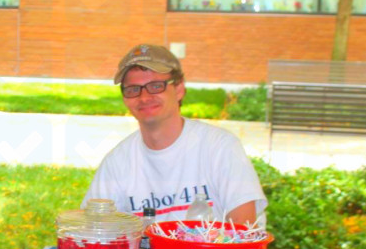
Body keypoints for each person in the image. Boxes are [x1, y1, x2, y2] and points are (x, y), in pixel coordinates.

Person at [84, 44, 266, 224]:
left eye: (156, 86)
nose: (144, 97)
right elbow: (92, 230)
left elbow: (244, 232)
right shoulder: (117, 162)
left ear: (179, 89)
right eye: (133, 90)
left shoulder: (219, 147)